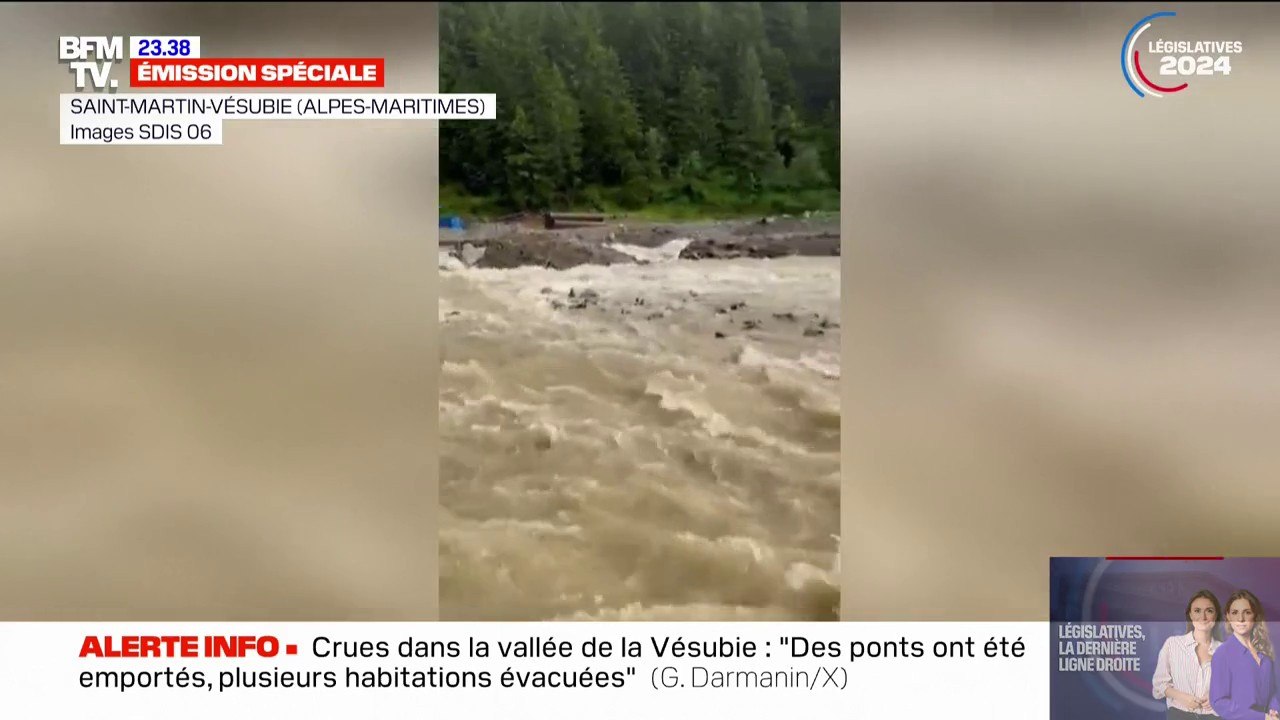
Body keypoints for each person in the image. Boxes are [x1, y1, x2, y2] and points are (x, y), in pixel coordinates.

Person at [1210, 589, 1280, 720]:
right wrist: (1261, 717)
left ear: (1255, 615)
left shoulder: (1265, 656)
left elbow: (1272, 694)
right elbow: (1218, 702)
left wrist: (1274, 711)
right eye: (1235, 613)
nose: (1240, 619)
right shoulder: (1223, 653)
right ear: (1228, 617)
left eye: (1246, 612)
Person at [1153, 589, 1224, 717]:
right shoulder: (1173, 644)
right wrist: (1182, 697)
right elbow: (1159, 685)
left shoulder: (1226, 651)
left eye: (1209, 611)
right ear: (1190, 615)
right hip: (1179, 716)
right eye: (1197, 611)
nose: (1203, 617)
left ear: (1216, 615)